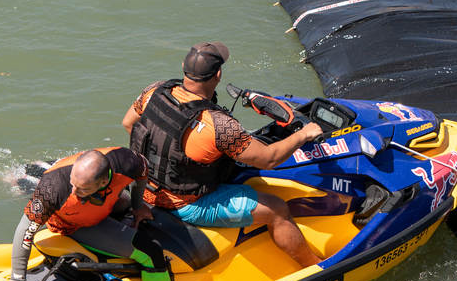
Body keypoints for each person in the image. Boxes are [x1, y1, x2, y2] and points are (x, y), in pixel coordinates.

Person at [122, 42, 325, 269]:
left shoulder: (154, 91)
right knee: (276, 209)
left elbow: (129, 123)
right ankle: (315, 266)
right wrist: (305, 134)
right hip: (185, 204)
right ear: (217, 75)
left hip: (144, 188)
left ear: (183, 67)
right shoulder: (219, 125)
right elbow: (269, 159)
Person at [0, 147, 185, 281]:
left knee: (124, 203)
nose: (74, 191)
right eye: (73, 183)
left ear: (103, 181)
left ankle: (117, 204)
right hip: (75, 223)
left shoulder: (128, 161)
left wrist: (138, 206)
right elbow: (26, 229)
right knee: (151, 252)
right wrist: (17, 279)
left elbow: (142, 172)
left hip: (105, 201)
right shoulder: (55, 189)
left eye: (82, 188)